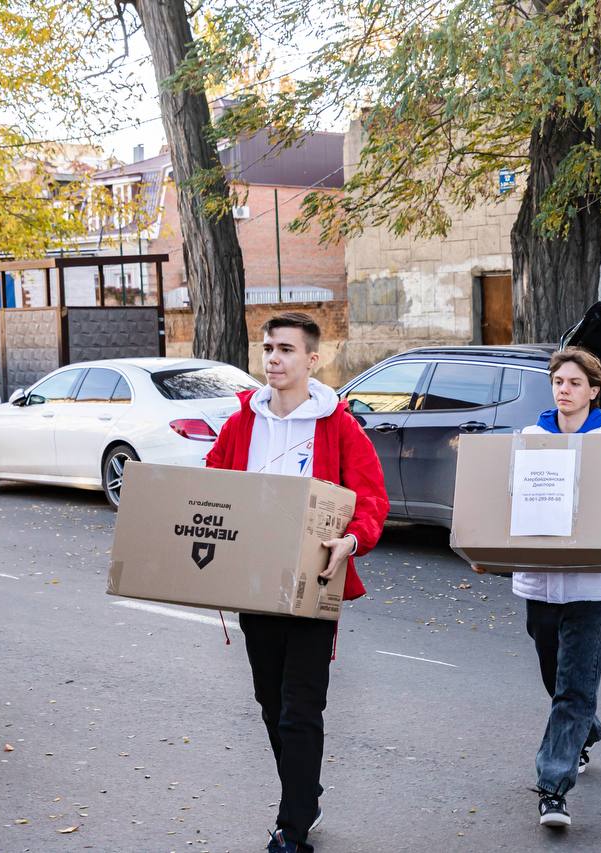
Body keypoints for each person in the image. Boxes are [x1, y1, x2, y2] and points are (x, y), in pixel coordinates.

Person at [205, 312, 390, 853]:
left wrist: (351, 541)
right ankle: (304, 791)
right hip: (252, 582)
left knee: (300, 707)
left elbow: (370, 499)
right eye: (267, 349)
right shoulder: (243, 422)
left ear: (313, 359)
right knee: (269, 702)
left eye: (285, 349)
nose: (273, 359)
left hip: (314, 584)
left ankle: (293, 824)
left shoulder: (337, 425)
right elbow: (213, 481)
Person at [475, 347, 601, 829]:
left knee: (574, 689)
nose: (564, 390)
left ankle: (553, 788)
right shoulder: (530, 439)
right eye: (558, 381)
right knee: (555, 679)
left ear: (594, 390)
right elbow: (501, 502)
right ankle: (587, 730)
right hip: (538, 583)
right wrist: (485, 546)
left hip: (592, 587)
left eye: (575, 382)